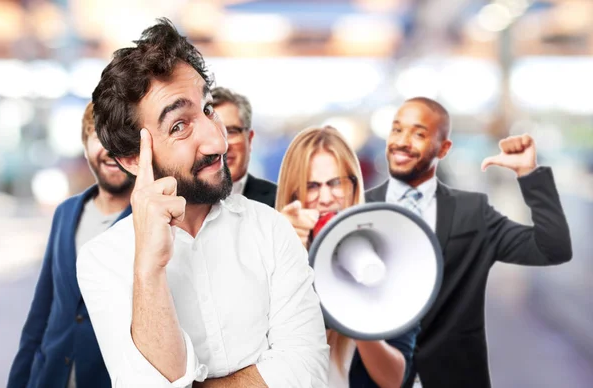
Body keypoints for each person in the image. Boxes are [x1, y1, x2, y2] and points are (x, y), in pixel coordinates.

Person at [76, 18, 328, 388]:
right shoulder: (104, 260)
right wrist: (149, 268)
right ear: (131, 159)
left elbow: (308, 372)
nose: (218, 142)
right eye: (179, 125)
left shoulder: (270, 228)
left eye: (208, 109)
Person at [365, 97, 573, 388]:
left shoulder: (472, 213)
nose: (402, 141)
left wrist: (529, 175)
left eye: (419, 134)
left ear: (444, 148)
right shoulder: (358, 211)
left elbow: (552, 248)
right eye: (397, 130)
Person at [276, 125, 419, 388]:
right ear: (293, 193)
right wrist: (278, 253)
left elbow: (395, 379)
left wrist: (356, 316)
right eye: (312, 186)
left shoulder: (391, 257)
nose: (326, 198)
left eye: (335, 183)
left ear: (354, 186)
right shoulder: (268, 251)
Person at [7, 101, 134, 388]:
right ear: (86, 145)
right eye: (99, 137)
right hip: (49, 377)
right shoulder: (67, 213)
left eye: (121, 139)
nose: (111, 150)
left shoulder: (151, 222)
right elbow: (42, 310)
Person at [211, 86, 277, 207]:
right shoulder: (180, 204)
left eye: (231, 131)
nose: (223, 146)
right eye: (213, 133)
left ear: (250, 139)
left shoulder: (280, 201)